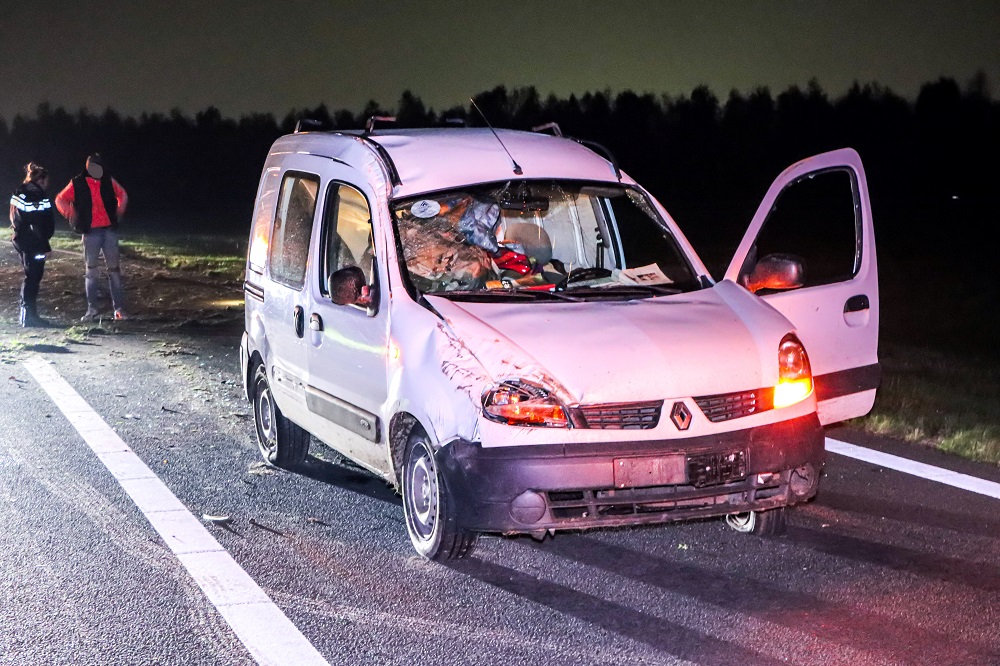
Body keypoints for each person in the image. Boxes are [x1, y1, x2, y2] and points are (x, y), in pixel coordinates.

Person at [55, 153, 129, 320]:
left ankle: (118, 310)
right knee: (92, 272)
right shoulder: (78, 182)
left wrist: (118, 211)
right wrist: (71, 213)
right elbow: (60, 199)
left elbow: (122, 195)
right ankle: (93, 310)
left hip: (108, 230)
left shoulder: (107, 180)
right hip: (91, 232)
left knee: (113, 271)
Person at [9, 163, 56, 327]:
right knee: (33, 277)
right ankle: (29, 315)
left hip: (21, 240)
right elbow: (36, 223)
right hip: (33, 243)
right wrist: (45, 245)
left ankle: (28, 314)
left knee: (31, 276)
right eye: (47, 180)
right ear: (41, 180)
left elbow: (16, 218)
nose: (48, 183)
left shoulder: (19, 192)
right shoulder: (35, 195)